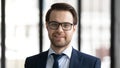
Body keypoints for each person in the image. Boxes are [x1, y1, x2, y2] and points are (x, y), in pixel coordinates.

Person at [25, 3, 101, 68]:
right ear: (47, 26)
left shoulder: (91, 64)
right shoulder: (31, 63)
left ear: (74, 28)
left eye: (66, 25)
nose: (59, 30)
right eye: (54, 24)